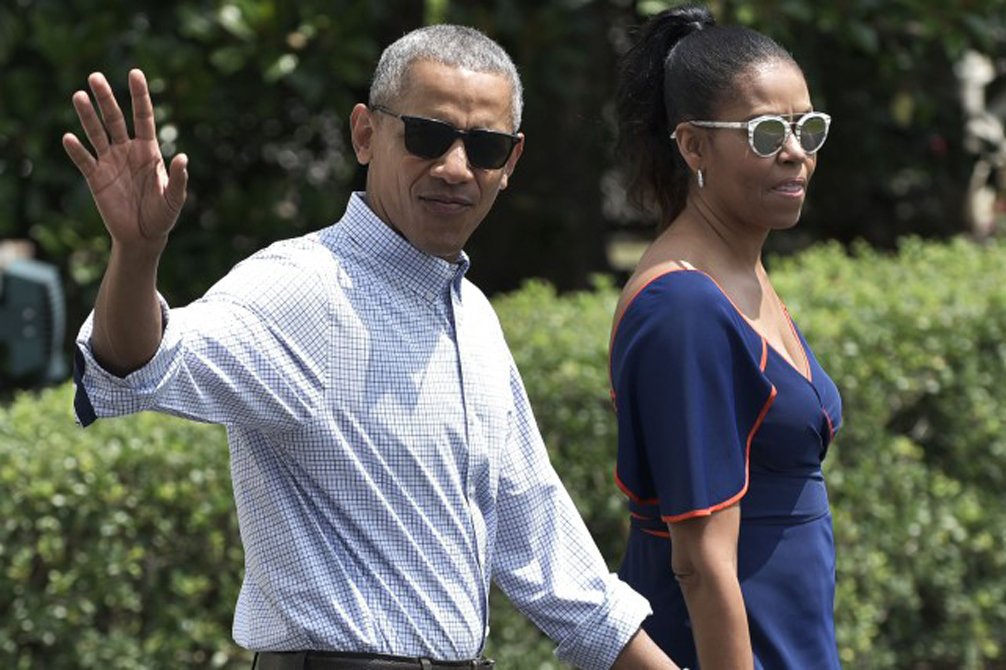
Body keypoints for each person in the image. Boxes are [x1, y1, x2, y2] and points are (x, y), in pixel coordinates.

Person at [63, 23, 684, 670]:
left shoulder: (472, 318)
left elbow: (554, 564)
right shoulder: (301, 288)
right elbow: (137, 365)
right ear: (365, 134)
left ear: (512, 163)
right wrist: (136, 255)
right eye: (427, 135)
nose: (454, 168)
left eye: (486, 147)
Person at [608, 5, 842, 669]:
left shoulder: (743, 265)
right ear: (693, 147)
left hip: (792, 635)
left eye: (807, 128)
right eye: (766, 132)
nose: (795, 151)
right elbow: (701, 564)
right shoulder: (682, 307)